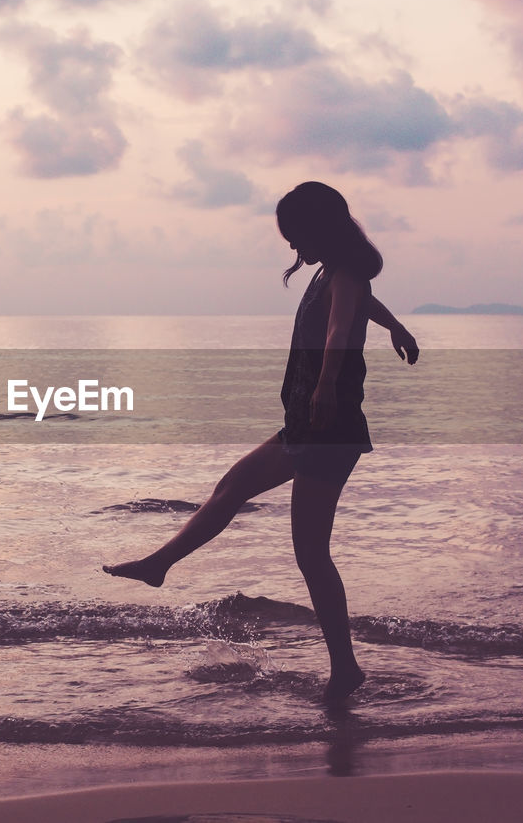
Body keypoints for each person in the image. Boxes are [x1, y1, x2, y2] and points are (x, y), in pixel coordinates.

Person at [103, 181, 419, 704]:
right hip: (306, 423)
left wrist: (323, 386)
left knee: (312, 554)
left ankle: (346, 669)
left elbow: (341, 326)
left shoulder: (344, 273)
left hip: (327, 425)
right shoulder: (337, 273)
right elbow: (363, 303)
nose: (294, 250)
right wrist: (397, 326)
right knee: (233, 484)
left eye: (297, 238)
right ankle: (160, 564)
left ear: (322, 228)